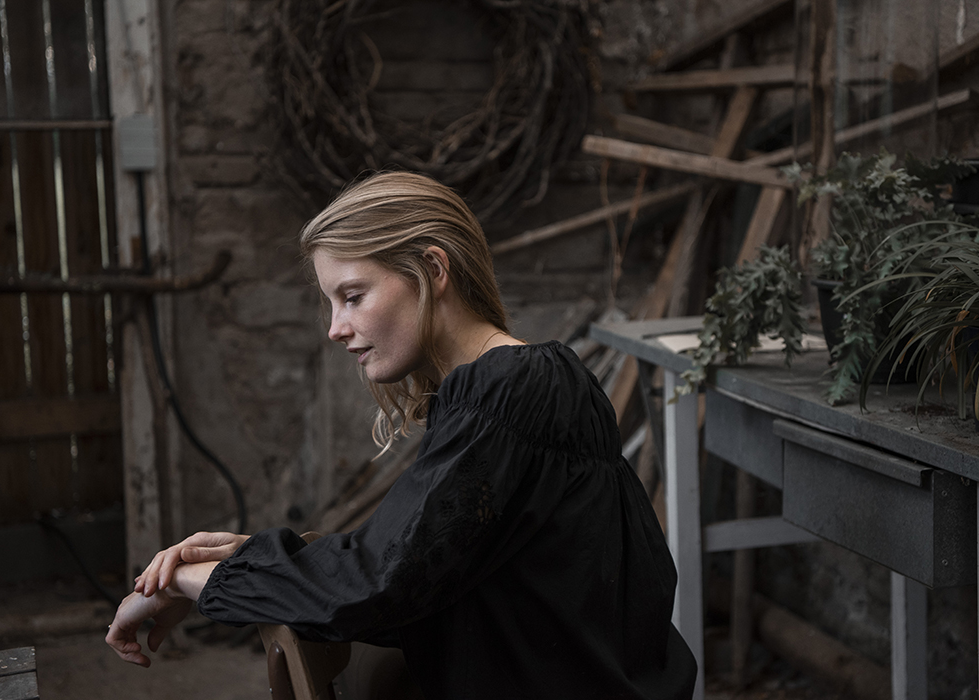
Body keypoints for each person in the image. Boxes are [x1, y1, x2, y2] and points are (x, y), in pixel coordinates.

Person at [106, 171, 697, 699]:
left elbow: (378, 584)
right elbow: (429, 566)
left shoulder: (509, 390)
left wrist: (186, 582)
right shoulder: (524, 384)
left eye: (353, 295)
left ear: (432, 271)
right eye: (330, 303)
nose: (337, 329)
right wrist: (256, 560)